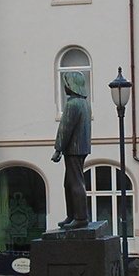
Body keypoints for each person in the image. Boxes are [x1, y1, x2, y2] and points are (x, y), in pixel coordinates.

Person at [50, 71, 91, 228]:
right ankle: (72, 215)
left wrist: (58, 149)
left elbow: (65, 128)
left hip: (74, 149)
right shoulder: (84, 104)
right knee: (69, 183)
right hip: (80, 148)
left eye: (66, 83)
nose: (65, 86)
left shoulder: (73, 104)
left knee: (75, 182)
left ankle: (80, 217)